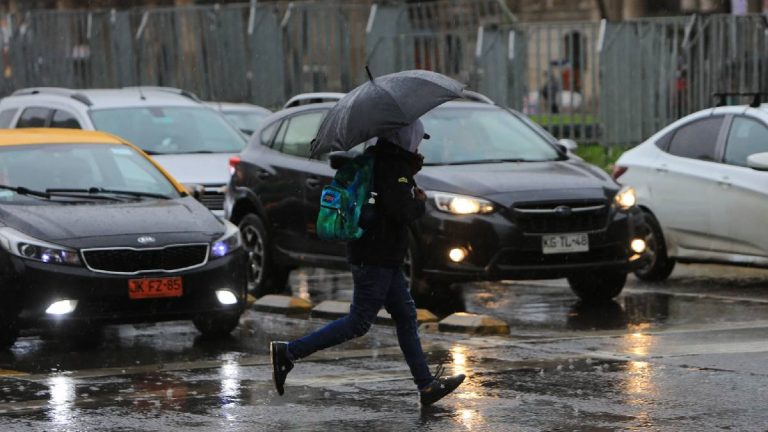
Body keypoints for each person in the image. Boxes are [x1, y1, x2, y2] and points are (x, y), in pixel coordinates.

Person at [269, 119, 465, 406]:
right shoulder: (394, 166)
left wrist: (408, 173)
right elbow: (401, 212)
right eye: (417, 138)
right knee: (359, 322)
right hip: (377, 257)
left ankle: (426, 386)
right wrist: (419, 201)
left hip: (376, 254)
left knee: (405, 316)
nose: (419, 143)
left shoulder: (377, 159)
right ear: (404, 137)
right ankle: (288, 353)